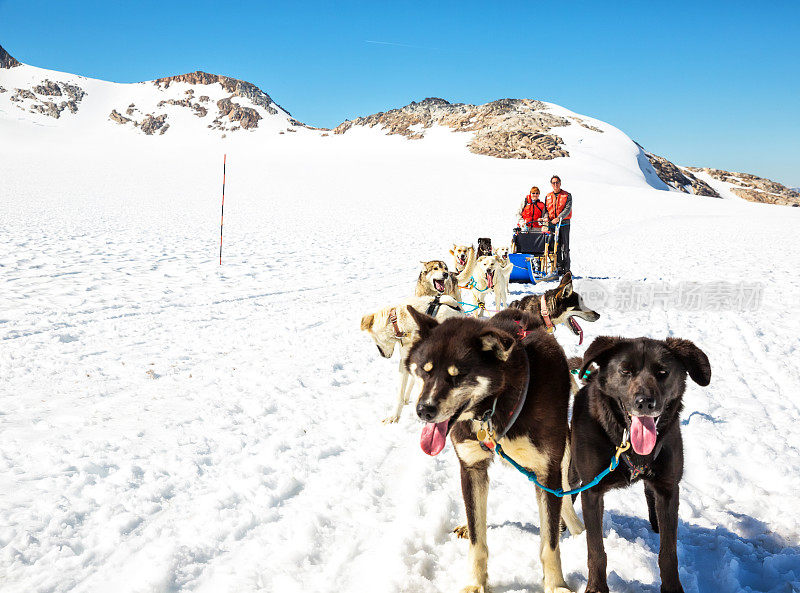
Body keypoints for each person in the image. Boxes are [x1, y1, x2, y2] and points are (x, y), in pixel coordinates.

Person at [544, 175, 572, 274]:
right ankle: (559, 267)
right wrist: (546, 217)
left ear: (560, 183)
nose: (555, 184)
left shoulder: (567, 195)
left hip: (563, 224)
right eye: (553, 183)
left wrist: (559, 218)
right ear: (551, 184)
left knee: (565, 246)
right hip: (552, 225)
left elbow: (567, 209)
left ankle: (567, 269)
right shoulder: (548, 196)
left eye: (557, 182)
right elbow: (546, 210)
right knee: (556, 246)